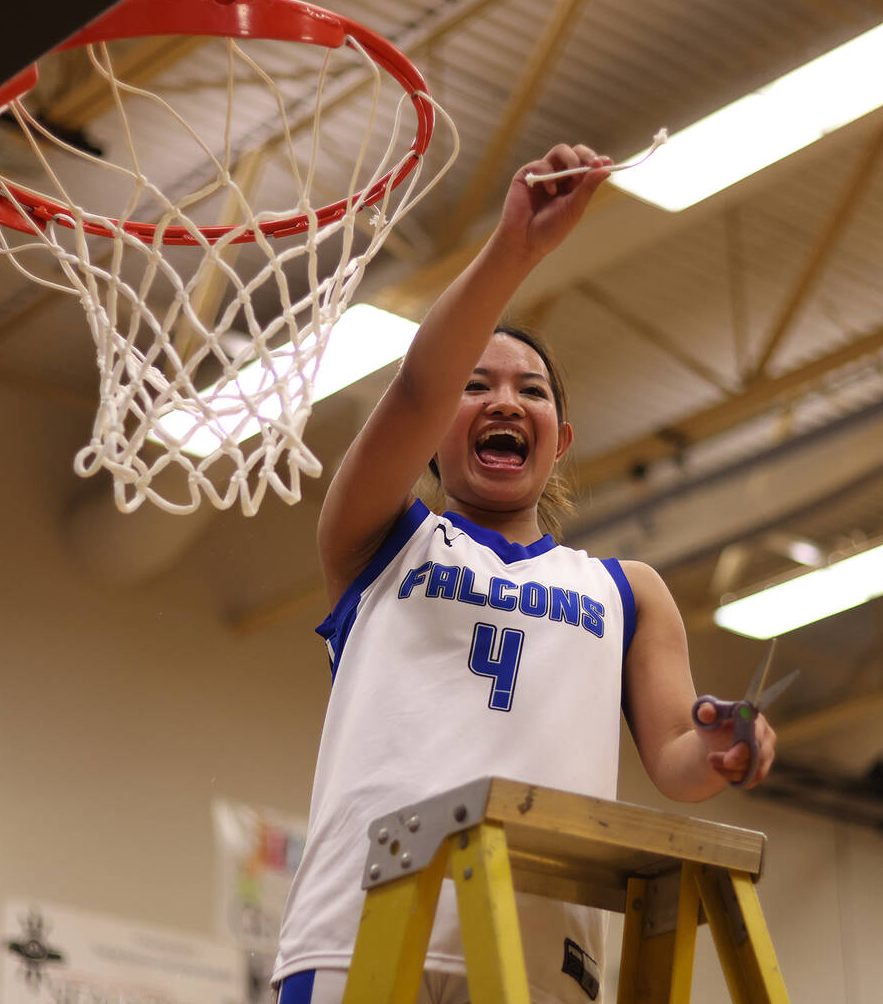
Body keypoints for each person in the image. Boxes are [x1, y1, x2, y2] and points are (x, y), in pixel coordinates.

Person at [272, 143, 778, 1004]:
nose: (506, 401)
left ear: (561, 439)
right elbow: (413, 388)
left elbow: (677, 760)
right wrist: (517, 249)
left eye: (532, 391)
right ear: (437, 430)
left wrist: (732, 745)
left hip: (539, 959)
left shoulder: (626, 591)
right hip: (363, 937)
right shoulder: (381, 540)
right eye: (477, 386)